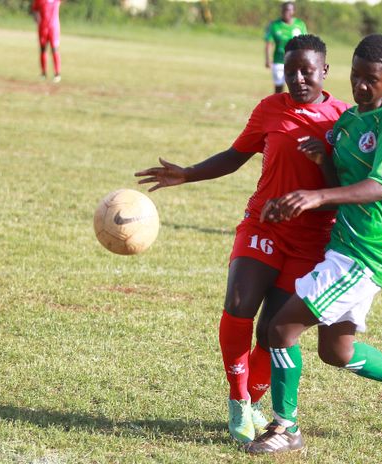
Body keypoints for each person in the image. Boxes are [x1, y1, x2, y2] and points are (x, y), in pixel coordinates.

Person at [135, 35, 349, 444]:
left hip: (311, 239)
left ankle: (253, 398)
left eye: (308, 71)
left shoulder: (342, 119)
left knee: (272, 329)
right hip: (262, 225)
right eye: (291, 72)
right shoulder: (270, 109)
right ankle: (238, 402)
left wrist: (325, 158)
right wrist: (188, 173)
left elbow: (349, 184)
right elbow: (237, 155)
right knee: (239, 305)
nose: (299, 79)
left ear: (325, 71)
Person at [245, 34, 382, 454]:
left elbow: (380, 186)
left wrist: (317, 196)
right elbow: (339, 183)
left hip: (365, 253)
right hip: (344, 248)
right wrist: (321, 163)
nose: (361, 86)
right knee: (336, 351)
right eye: (355, 75)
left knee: (280, 328)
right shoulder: (350, 121)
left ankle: (286, 428)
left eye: (371, 79)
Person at [265, 2, 308, 94]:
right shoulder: (274, 25)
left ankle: (292, 108)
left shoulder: (300, 25)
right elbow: (269, 43)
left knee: (295, 87)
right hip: (279, 61)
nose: (286, 12)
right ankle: (277, 106)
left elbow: (305, 43)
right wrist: (268, 59)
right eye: (284, 10)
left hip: (296, 62)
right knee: (279, 87)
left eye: (288, 10)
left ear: (293, 11)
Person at [31, 0, 62, 83]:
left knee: (54, 49)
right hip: (43, 27)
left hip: (54, 27)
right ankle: (43, 73)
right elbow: (34, 10)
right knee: (43, 49)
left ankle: (57, 74)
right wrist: (37, 21)